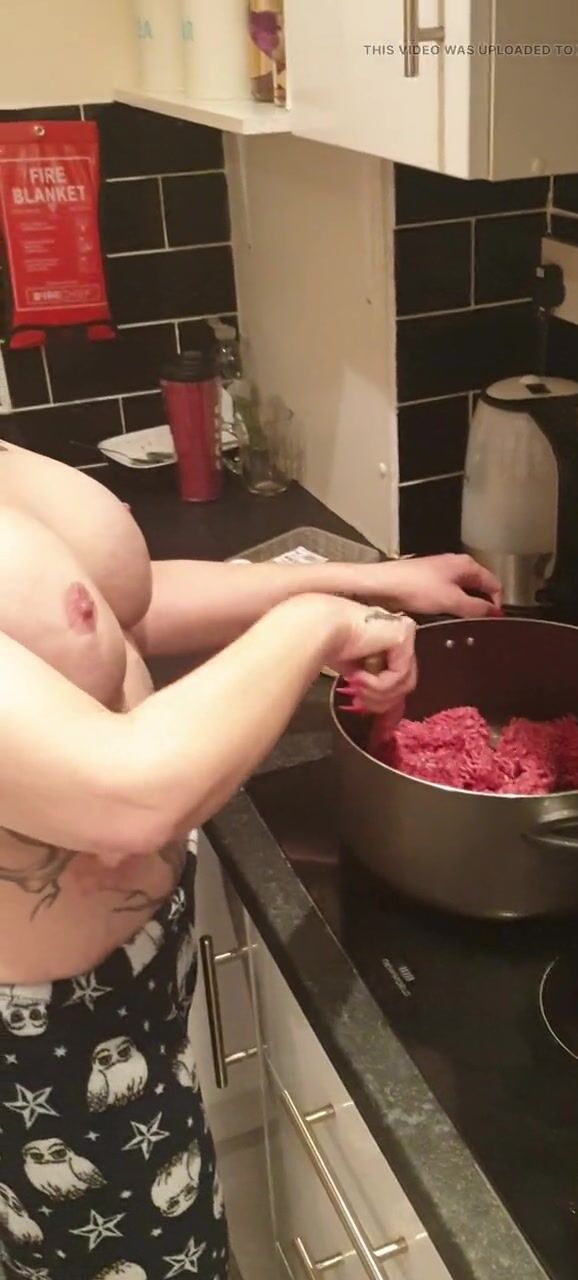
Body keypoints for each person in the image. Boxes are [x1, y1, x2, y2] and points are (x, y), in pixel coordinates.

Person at [0, 440, 501, 1280]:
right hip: (45, 1039)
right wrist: (316, 626)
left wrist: (367, 583)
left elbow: (111, 611)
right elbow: (125, 799)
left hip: (126, 984)